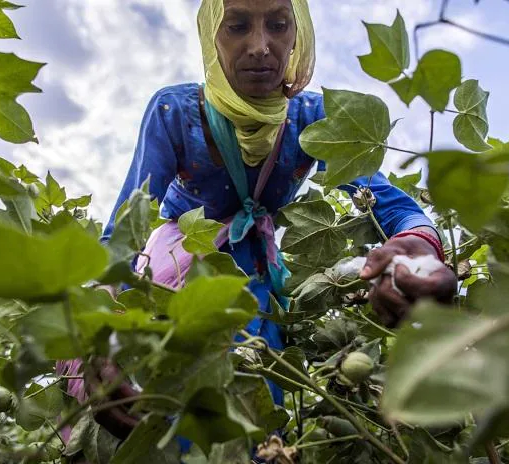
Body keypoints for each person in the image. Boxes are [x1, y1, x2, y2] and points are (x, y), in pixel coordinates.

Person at [63, 0, 457, 450]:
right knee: (173, 408)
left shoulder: (311, 117)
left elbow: (389, 203)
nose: (259, 46)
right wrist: (97, 323)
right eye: (236, 26)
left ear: (298, 33)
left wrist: (417, 245)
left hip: (256, 282)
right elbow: (124, 232)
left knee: (257, 411)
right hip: (179, 272)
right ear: (213, 35)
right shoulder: (174, 111)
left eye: (277, 25)